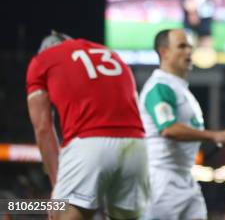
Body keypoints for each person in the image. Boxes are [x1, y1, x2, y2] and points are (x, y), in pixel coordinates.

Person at [26, 31, 148, 220]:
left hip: (89, 145)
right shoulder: (111, 54)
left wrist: (58, 186)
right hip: (137, 147)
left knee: (61, 214)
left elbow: (43, 127)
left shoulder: (43, 59)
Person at [139, 28, 225, 220]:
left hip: (185, 177)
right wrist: (215, 136)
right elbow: (168, 129)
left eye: (190, 46)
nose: (189, 51)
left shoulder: (180, 89)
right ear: (163, 52)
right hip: (162, 180)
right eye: (181, 46)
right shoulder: (160, 86)